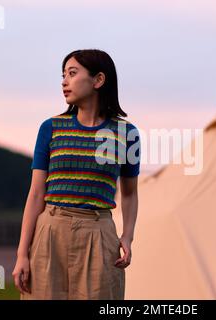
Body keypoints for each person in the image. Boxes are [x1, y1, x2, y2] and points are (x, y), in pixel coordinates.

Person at [12, 49, 140, 300]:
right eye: (63, 75)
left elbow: (130, 194)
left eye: (72, 74)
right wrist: (21, 254)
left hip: (99, 233)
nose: (64, 81)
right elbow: (36, 194)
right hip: (49, 231)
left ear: (98, 80)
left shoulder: (128, 133)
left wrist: (128, 236)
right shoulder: (50, 128)